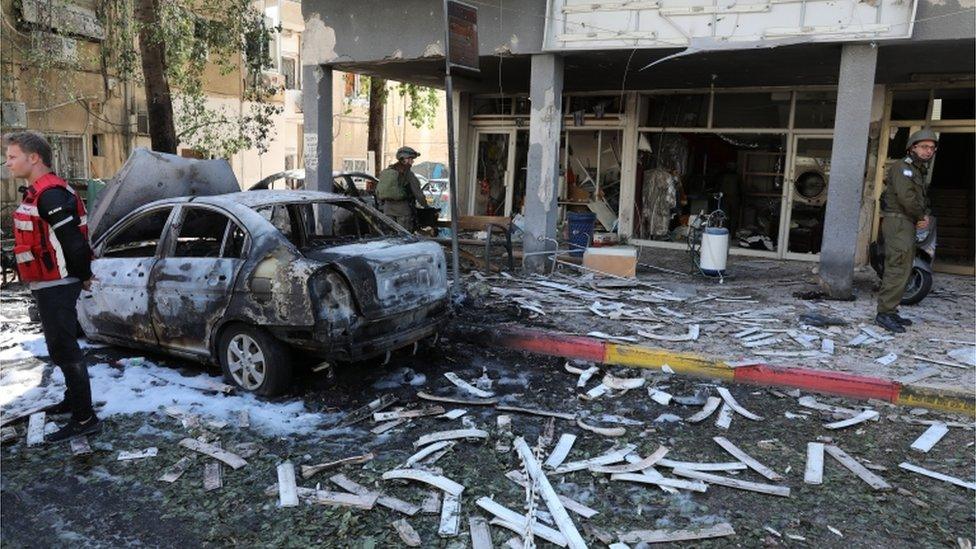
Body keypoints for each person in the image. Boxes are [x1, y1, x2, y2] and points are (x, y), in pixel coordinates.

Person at [5, 132, 100, 441]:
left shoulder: (51, 195)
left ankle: (85, 419)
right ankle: (74, 401)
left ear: (34, 158)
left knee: (64, 347)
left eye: (12, 156)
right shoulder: (38, 192)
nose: (7, 162)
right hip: (48, 282)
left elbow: (73, 241)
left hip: (58, 281)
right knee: (58, 347)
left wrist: (84, 274)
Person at [875, 129, 937, 334]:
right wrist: (921, 216)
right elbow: (907, 198)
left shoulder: (918, 170)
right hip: (899, 222)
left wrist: (923, 214)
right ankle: (884, 313)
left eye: (932, 147)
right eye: (924, 147)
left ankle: (891, 311)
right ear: (912, 148)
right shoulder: (903, 168)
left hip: (906, 223)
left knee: (903, 268)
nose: (929, 151)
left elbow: (920, 199)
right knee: (897, 266)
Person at [376, 146, 428, 231]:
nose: (413, 161)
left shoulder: (387, 171)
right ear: (405, 159)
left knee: (390, 237)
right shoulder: (408, 174)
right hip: (403, 211)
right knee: (405, 238)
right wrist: (425, 206)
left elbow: (379, 190)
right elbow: (418, 194)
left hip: (387, 210)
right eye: (411, 159)